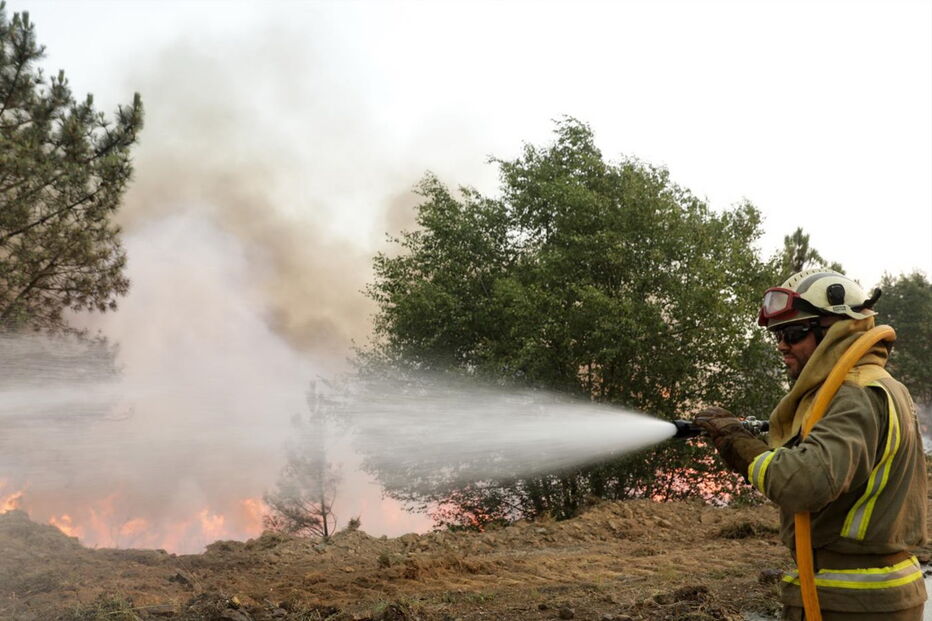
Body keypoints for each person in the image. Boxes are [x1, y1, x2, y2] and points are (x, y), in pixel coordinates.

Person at [695, 268, 928, 621]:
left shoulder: (855, 394)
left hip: (850, 601)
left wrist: (737, 443)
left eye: (793, 332)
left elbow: (804, 483)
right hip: (869, 594)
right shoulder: (880, 385)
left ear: (836, 330)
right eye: (778, 334)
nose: (782, 345)